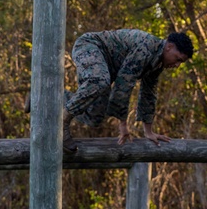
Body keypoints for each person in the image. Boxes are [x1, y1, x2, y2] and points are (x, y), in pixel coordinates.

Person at [61, 29, 194, 152]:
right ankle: (62, 123)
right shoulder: (146, 47)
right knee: (100, 81)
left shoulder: (158, 64)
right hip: (89, 46)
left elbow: (149, 95)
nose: (177, 65)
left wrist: (148, 132)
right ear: (169, 47)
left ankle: (59, 98)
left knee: (94, 116)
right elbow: (124, 83)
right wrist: (123, 124)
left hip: (105, 68)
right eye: (178, 59)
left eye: (181, 63)